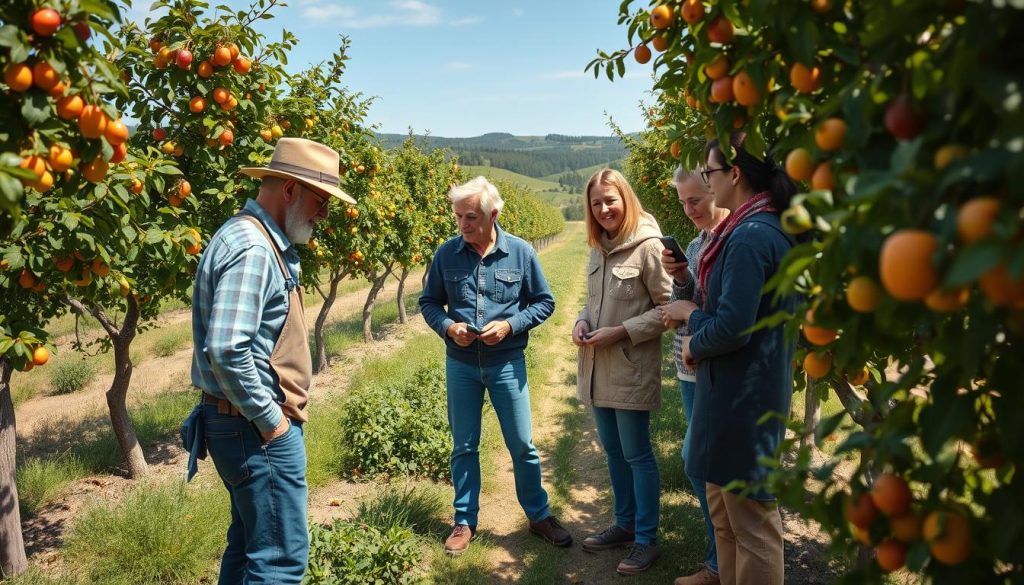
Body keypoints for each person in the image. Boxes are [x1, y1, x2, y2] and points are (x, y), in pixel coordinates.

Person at [189, 137, 355, 584]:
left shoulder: (249, 236)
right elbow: (227, 347)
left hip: (236, 425)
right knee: (280, 560)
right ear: (289, 190)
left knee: (248, 548)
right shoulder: (255, 250)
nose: (324, 213)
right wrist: (272, 422)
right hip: (252, 429)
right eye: (321, 200)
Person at [419, 176, 572, 556]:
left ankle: (538, 515)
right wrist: (448, 326)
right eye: (458, 217)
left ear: (493, 214)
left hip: (507, 363)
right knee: (464, 445)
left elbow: (544, 302)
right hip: (462, 365)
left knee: (522, 444)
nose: (463, 225)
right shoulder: (446, 254)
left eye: (470, 217)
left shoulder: (521, 253)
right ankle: (464, 520)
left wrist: (509, 325)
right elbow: (428, 303)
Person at [671, 133, 799, 585]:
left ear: (735, 175)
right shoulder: (750, 230)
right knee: (726, 517)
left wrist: (691, 327)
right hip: (730, 395)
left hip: (743, 401)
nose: (706, 180)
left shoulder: (749, 237)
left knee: (753, 526)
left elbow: (732, 326)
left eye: (709, 173)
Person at [573, 168, 672, 575]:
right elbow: (593, 301)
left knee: (637, 454)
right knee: (613, 452)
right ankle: (625, 523)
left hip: (630, 366)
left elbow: (670, 309)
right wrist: (581, 321)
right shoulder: (599, 247)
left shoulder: (648, 247)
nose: (603, 209)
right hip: (597, 368)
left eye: (610, 200)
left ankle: (647, 539)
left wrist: (622, 332)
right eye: (596, 203)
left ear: (625, 199)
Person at [658, 166, 729, 585]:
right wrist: (681, 278)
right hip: (688, 365)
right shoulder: (697, 242)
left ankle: (721, 563)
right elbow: (684, 298)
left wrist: (687, 309)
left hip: (709, 362)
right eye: (683, 202)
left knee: (698, 462)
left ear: (717, 188)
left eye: (696, 200)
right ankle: (718, 559)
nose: (689, 210)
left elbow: (719, 312)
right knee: (702, 466)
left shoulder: (731, 241)